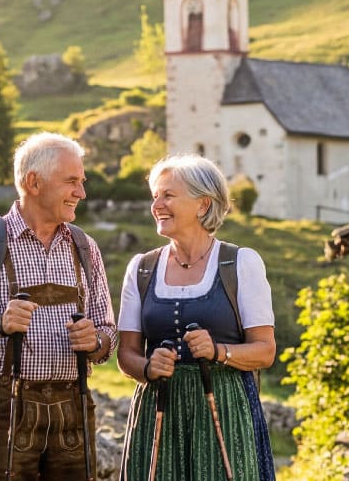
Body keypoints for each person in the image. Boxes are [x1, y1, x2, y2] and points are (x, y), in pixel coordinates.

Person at [0, 133, 116, 481]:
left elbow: (108, 334)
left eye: (82, 182)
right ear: (33, 182)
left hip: (73, 409)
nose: (81, 193)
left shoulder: (84, 246)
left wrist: (94, 341)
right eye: (71, 182)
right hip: (3, 409)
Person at [117, 155, 278, 481]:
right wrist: (148, 366)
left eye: (168, 195)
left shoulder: (240, 264)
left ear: (203, 204)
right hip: (158, 409)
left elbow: (265, 351)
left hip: (224, 409)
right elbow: (126, 354)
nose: (157, 205)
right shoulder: (142, 268)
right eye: (155, 196)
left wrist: (219, 351)